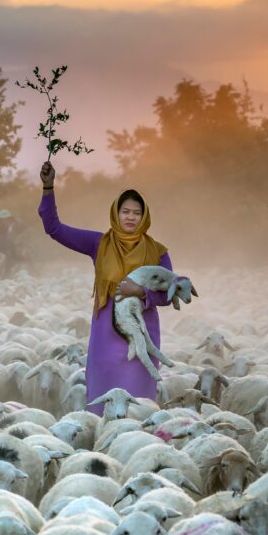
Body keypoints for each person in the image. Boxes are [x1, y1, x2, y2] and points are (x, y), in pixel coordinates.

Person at [38, 160, 181, 414]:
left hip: (141, 335)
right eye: (126, 211)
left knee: (138, 405)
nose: (131, 217)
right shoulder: (99, 243)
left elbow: (168, 294)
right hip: (106, 333)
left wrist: (141, 292)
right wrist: (48, 188)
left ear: (144, 216)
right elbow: (54, 229)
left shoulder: (157, 251)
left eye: (136, 213)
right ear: (116, 213)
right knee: (103, 403)